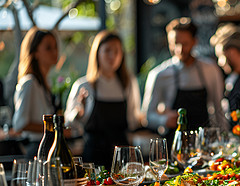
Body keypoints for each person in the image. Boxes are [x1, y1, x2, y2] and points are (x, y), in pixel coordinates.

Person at [142, 17, 228, 147]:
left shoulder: (210, 69)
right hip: (174, 144)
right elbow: (147, 116)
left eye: (185, 44)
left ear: (195, 42)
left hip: (204, 143)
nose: (180, 49)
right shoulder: (159, 74)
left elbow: (218, 108)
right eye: (175, 43)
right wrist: (164, 119)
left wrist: (224, 140)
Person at [65, 30, 143, 168]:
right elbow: (70, 124)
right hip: (93, 157)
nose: (112, 56)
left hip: (122, 156)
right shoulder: (84, 85)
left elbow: (133, 121)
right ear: (97, 53)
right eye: (107, 51)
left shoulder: (128, 83)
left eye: (117, 51)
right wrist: (80, 112)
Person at [12, 27, 58, 159]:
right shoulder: (29, 83)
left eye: (55, 47)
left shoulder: (44, 82)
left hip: (46, 147)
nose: (55, 52)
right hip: (36, 151)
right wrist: (55, 129)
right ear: (35, 52)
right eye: (48, 48)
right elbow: (19, 124)